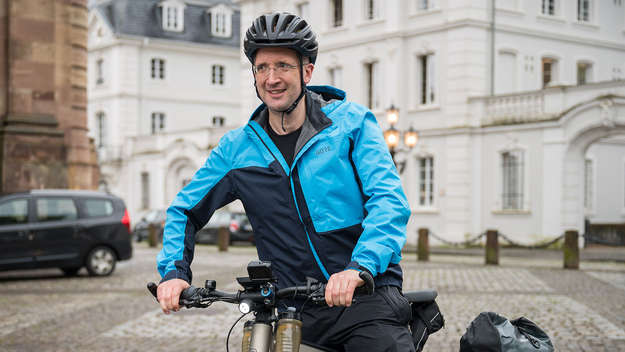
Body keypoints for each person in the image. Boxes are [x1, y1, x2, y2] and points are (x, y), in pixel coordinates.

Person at [156, 12, 415, 351]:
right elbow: (183, 211)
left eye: (283, 66)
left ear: (307, 71)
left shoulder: (350, 125)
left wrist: (359, 267)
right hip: (292, 309)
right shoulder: (238, 148)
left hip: (365, 298)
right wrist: (175, 273)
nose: (271, 78)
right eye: (262, 68)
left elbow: (388, 201)